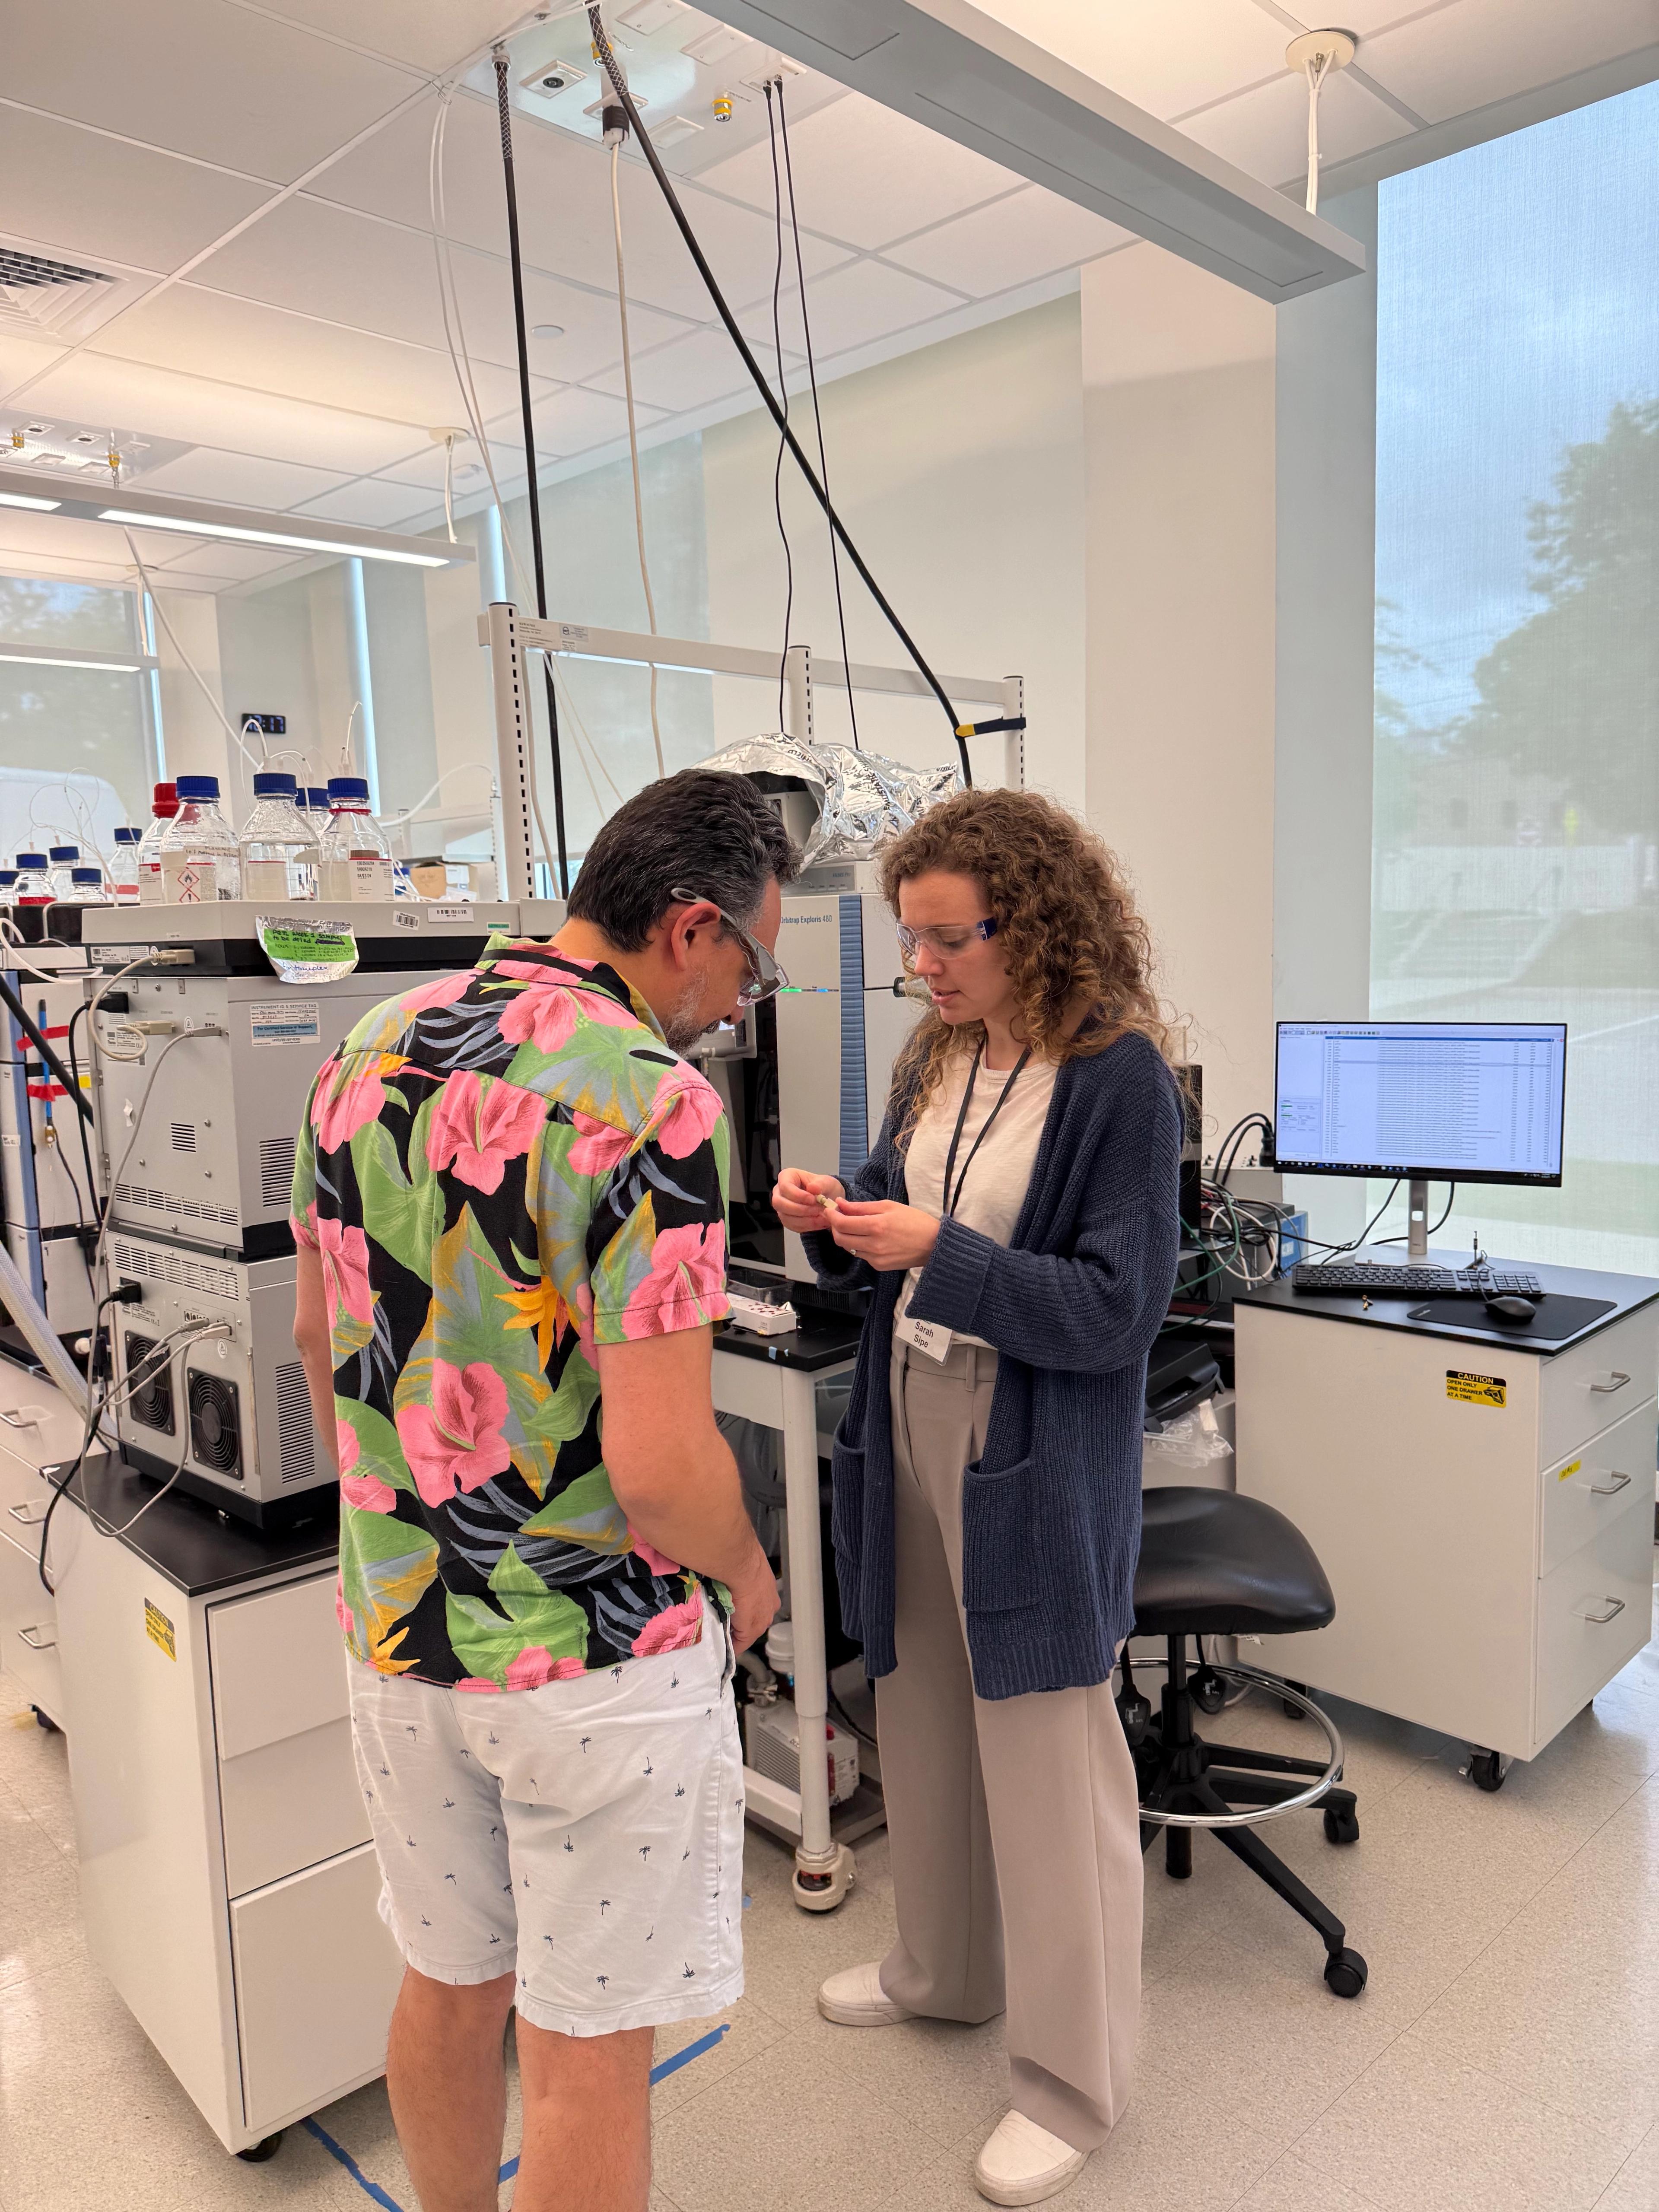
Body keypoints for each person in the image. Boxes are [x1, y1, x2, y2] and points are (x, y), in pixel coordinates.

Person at [291, 769, 799, 2212]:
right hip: (590, 1660)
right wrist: (750, 1577)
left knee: (448, 1988)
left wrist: (417, 1520)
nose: (735, 1005)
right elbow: (658, 1464)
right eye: (750, 967)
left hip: (398, 1631)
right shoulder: (656, 1103)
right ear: (691, 929)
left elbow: (323, 1341)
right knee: (585, 2050)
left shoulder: (370, 1041)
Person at [772, 787, 1182, 2209]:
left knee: (1054, 1764)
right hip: (910, 1416)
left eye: (952, 939)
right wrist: (841, 1221)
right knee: (927, 1707)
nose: (928, 968)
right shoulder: (936, 1055)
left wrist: (938, 1251)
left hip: (1034, 1447)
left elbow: (1118, 1311)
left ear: (1039, 924)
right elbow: (894, 1219)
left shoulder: (1119, 1081)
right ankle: (940, 1973)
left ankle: (1073, 2083)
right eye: (915, 943)